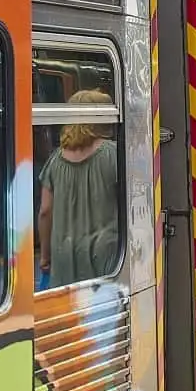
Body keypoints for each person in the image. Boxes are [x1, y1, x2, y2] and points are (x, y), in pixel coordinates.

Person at [37, 89, 121, 289]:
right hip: (105, 255)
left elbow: (45, 211)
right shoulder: (114, 155)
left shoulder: (55, 161)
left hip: (64, 254)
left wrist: (45, 256)